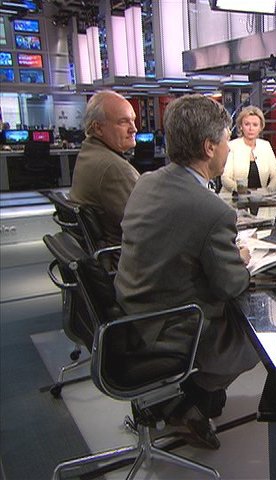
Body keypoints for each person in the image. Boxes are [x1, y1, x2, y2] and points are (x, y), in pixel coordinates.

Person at [114, 94, 258, 449]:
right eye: (226, 140)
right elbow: (230, 286)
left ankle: (183, 400)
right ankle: (185, 401)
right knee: (256, 335)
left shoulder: (148, 181)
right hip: (170, 324)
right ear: (209, 147)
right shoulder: (211, 210)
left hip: (130, 309)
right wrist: (241, 262)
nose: (229, 148)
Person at [69, 90, 140, 247]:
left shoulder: (88, 152)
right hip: (126, 256)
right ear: (98, 128)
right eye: (123, 122)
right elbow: (147, 223)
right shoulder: (113, 168)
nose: (133, 129)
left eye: (133, 120)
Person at [221, 105, 276, 193]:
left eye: (255, 125)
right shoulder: (232, 146)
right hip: (233, 197)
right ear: (241, 126)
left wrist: (268, 191)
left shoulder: (265, 146)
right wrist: (242, 191)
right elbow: (225, 178)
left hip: (260, 198)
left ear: (260, 127)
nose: (251, 128)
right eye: (247, 124)